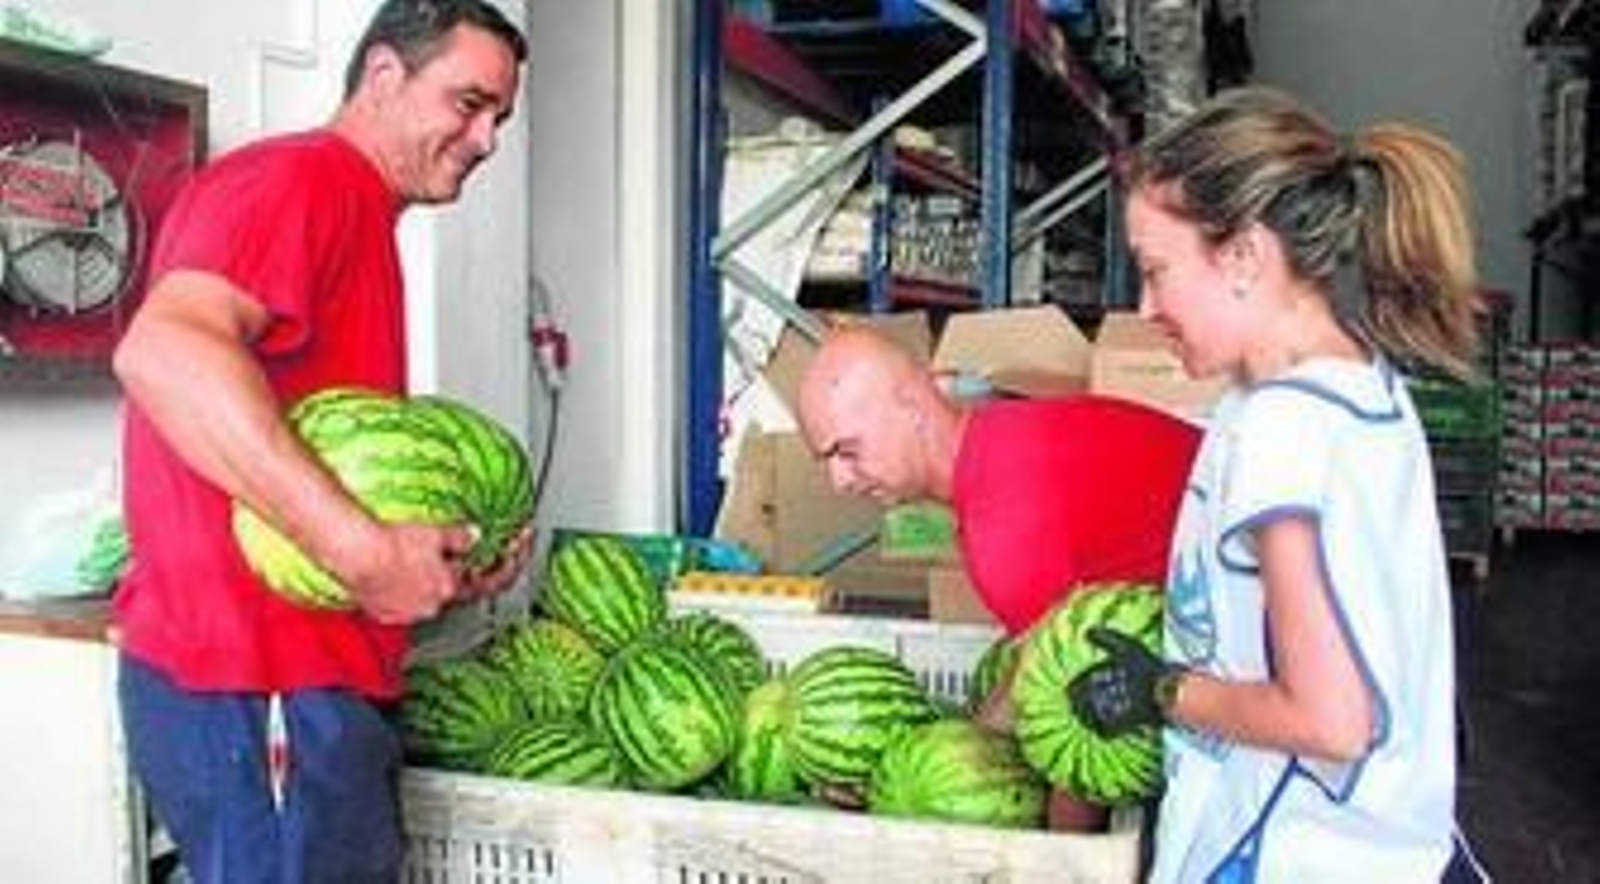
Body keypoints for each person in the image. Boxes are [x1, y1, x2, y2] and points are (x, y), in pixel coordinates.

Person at [110, 2, 530, 880]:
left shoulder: (356, 214)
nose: (487, 138)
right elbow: (163, 352)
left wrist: (440, 559)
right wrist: (362, 550)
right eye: (468, 102)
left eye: (500, 116)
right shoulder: (303, 183)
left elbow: (333, 457)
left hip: (299, 685)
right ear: (383, 75)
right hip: (258, 681)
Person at [1066, 85, 1490, 882]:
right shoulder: (1358, 386)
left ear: (1245, 257)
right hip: (1384, 846)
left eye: (1157, 270)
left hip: (1290, 850)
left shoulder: (1281, 432)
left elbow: (1330, 718)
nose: (1145, 305)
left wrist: (1163, 691)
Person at [796, 323, 1201, 829]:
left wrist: (1058, 858)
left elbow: (1074, 715)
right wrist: (900, 772)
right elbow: (1036, 677)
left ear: (912, 407)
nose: (837, 481)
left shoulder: (1002, 520)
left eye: (847, 451)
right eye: (825, 459)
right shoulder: (1000, 444)